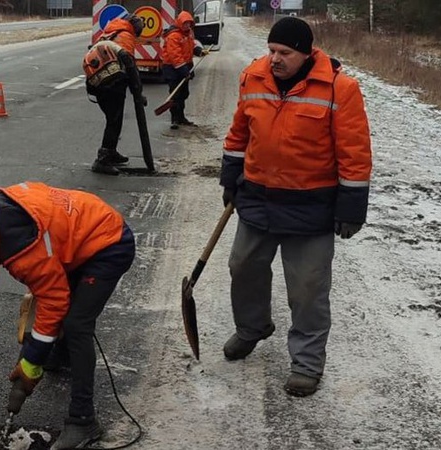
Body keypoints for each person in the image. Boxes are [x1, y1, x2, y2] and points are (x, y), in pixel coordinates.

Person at [219, 17, 372, 397]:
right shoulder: (252, 77)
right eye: (271, 51)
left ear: (306, 53)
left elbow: (354, 151)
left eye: (284, 53)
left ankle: (306, 362)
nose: (274, 59)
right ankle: (253, 328)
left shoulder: (340, 88)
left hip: (311, 206)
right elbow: (239, 132)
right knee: (243, 266)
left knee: (307, 288)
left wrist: (351, 205)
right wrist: (229, 176)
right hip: (257, 197)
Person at [0, 181, 135, 449]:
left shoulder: (23, 249)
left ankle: (83, 420)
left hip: (108, 244)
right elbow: (48, 281)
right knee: (62, 306)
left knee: (78, 325)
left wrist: (32, 359)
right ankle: (62, 355)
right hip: (84, 231)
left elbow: (53, 301)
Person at [85, 14, 147, 176]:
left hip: (98, 83)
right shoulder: (126, 36)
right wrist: (138, 93)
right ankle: (102, 160)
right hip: (110, 84)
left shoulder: (111, 32)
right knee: (113, 121)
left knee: (114, 119)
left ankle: (111, 151)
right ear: (135, 28)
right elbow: (130, 66)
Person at [161, 11, 207, 129]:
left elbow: (191, 46)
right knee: (175, 94)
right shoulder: (173, 36)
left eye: (189, 23)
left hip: (185, 66)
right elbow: (175, 56)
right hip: (172, 68)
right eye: (185, 23)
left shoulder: (189, 33)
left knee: (184, 93)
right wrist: (185, 71)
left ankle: (181, 117)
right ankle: (175, 119)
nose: (187, 26)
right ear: (180, 23)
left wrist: (199, 51)